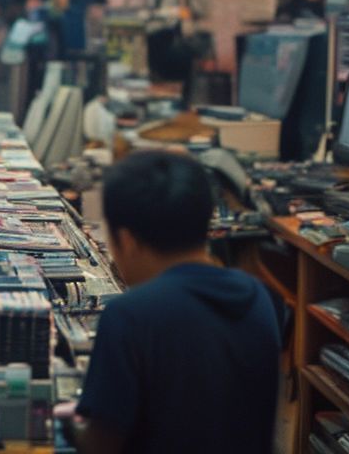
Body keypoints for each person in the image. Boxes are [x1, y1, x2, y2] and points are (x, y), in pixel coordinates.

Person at [73, 151, 280, 454]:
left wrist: (67, 424)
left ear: (127, 240)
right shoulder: (260, 297)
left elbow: (100, 447)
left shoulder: (129, 315)